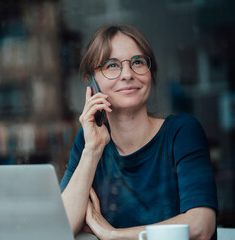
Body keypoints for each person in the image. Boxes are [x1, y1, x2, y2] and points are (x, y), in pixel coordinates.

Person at [60, 24, 218, 240]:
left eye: (137, 62)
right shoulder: (89, 140)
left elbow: (202, 225)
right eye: (111, 65)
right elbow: (60, 228)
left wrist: (112, 234)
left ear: (150, 73)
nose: (127, 74)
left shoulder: (182, 132)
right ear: (91, 83)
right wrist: (92, 150)